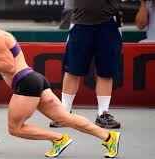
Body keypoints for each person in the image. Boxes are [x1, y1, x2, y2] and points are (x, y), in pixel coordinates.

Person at [0, 8, 121, 158]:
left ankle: (58, 139)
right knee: (64, 118)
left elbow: (9, 66)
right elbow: (5, 61)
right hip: (34, 79)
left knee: (15, 128)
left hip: (25, 83)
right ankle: (108, 137)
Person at [50, 0, 122, 129]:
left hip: (109, 23)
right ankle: (64, 113)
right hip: (80, 24)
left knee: (106, 72)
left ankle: (103, 114)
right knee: (72, 70)